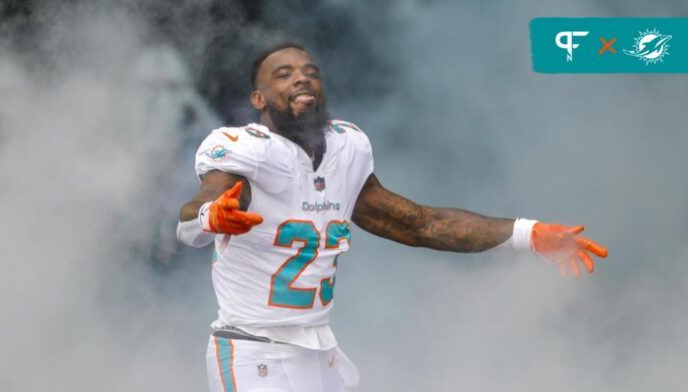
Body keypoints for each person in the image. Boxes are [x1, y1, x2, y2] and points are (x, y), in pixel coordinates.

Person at [176, 42, 608, 392]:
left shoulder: (346, 146)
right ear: (259, 98)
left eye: (310, 70)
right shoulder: (244, 148)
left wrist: (527, 234)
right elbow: (199, 209)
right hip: (254, 352)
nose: (302, 77)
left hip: (319, 350)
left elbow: (419, 224)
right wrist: (214, 215)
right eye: (283, 73)